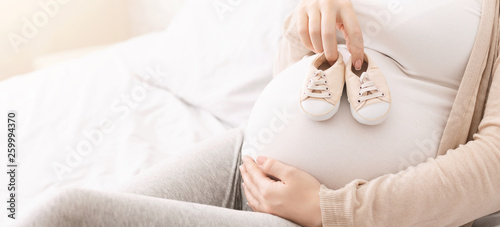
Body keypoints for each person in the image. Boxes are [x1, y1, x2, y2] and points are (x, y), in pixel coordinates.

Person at [16, 0, 500, 226]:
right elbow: (294, 81)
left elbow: (493, 167)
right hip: (248, 157)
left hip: (337, 213)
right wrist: (305, 22)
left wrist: (329, 210)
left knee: (66, 215)